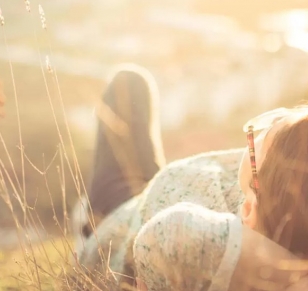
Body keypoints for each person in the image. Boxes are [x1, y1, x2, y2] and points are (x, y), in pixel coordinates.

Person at [73, 65, 308, 290]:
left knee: (126, 83)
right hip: (154, 191)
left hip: (118, 222)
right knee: (130, 82)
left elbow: (171, 233)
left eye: (262, 136)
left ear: (249, 209)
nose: (271, 123)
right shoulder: (279, 184)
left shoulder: (208, 247)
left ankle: (87, 227)